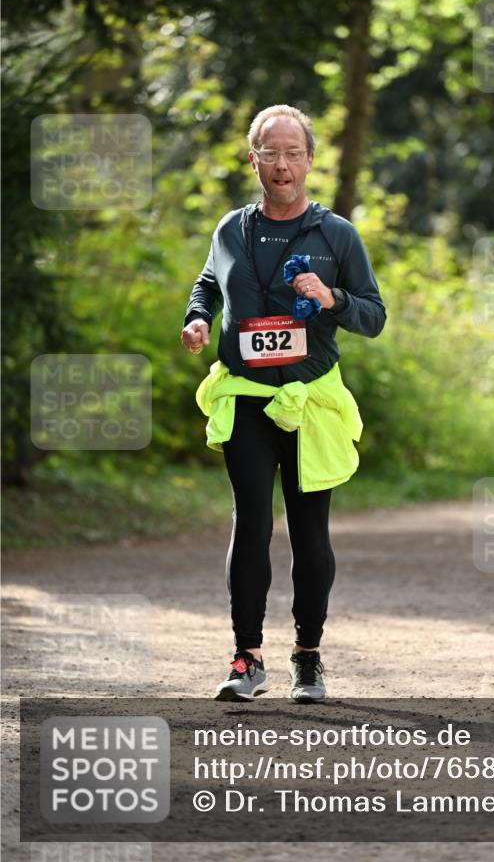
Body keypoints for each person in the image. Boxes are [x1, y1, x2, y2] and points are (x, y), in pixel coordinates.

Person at [181, 104, 386, 701]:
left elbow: (373, 316)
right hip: (247, 396)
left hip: (310, 400)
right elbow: (207, 283)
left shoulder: (337, 235)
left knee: (308, 531)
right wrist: (198, 320)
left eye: (293, 152)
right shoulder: (230, 229)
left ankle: (308, 656)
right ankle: (247, 658)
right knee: (250, 524)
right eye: (270, 152)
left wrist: (333, 298)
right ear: (254, 159)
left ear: (310, 161)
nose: (282, 164)